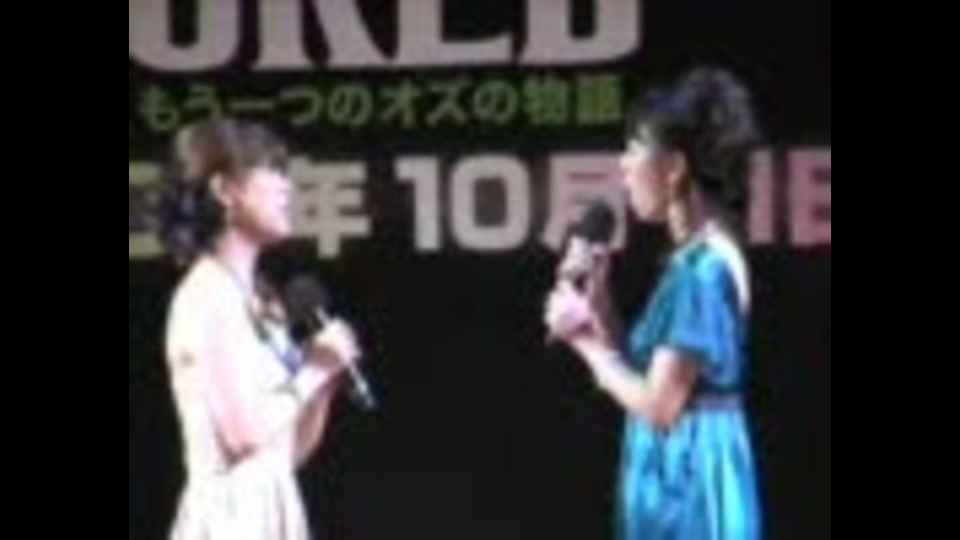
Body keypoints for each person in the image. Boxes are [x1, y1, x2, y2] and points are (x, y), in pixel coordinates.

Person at [543, 66, 764, 539]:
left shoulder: (701, 270)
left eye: (634, 149)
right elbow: (649, 374)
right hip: (679, 470)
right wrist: (600, 303)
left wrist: (581, 341)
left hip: (688, 488)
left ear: (674, 167)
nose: (623, 166)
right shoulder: (697, 258)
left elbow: (660, 404)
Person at [157, 117, 362, 540]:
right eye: (272, 171)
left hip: (274, 507)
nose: (288, 188)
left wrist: (324, 381)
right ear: (224, 189)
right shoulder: (207, 293)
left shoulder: (260, 299)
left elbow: (288, 452)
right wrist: (313, 371)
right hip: (230, 517)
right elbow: (243, 436)